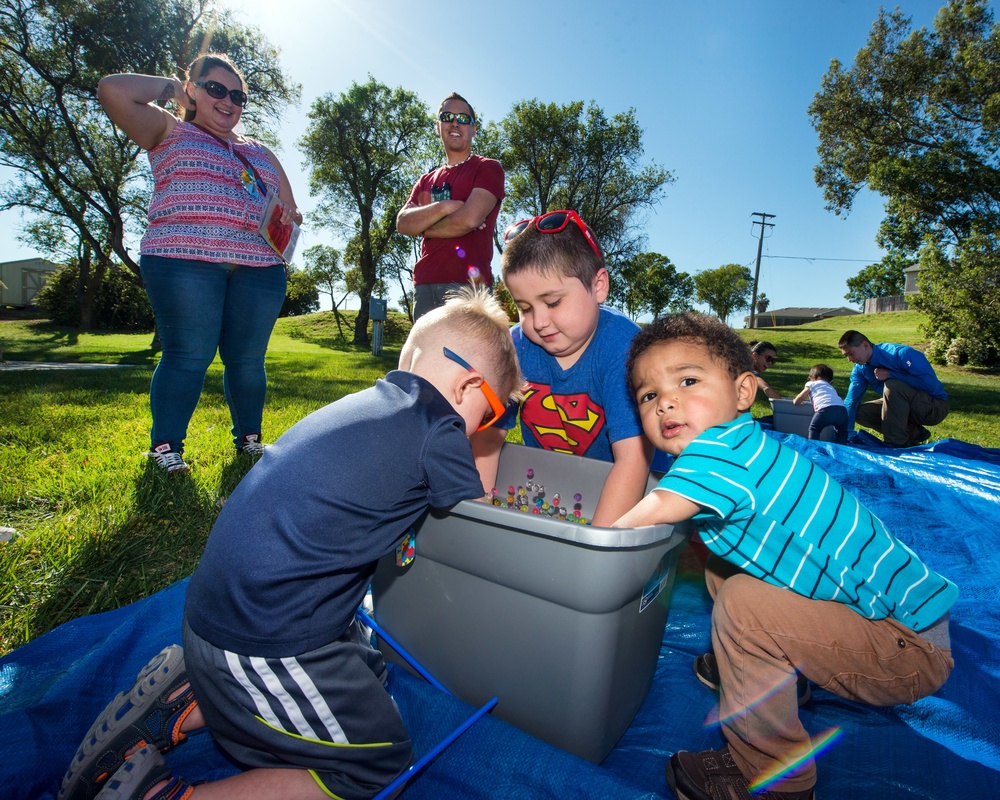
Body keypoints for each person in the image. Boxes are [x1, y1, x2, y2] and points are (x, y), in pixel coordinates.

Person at [57, 288, 522, 800]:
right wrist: (498, 433)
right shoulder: (439, 428)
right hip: (264, 642)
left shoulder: (369, 406)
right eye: (492, 412)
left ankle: (187, 698)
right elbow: (479, 511)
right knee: (376, 766)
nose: (484, 427)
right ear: (467, 386)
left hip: (217, 611)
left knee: (368, 671)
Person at [613, 312, 956, 800]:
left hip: (904, 648)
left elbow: (637, 520)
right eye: (649, 396)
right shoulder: (745, 444)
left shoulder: (717, 455)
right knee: (722, 565)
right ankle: (770, 676)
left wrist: (578, 544)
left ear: (743, 392)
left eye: (688, 380)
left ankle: (776, 777)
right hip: (899, 624)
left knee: (742, 607)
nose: (665, 401)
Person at [98, 54, 303, 474]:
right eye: (215, 89)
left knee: (247, 360)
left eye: (237, 95)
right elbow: (113, 91)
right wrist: (172, 89)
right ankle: (166, 447)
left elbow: (290, 207)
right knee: (189, 353)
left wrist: (286, 217)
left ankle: (249, 439)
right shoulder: (169, 130)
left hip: (258, 267)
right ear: (194, 89)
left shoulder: (260, 151)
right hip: (184, 258)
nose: (228, 101)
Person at [479, 209, 661, 527]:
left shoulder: (623, 349)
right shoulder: (515, 349)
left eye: (552, 303)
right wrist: (478, 510)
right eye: (524, 307)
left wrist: (594, 548)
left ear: (598, 285)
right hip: (555, 490)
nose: (538, 321)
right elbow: (489, 437)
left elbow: (634, 461)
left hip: (637, 490)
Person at [396, 93, 504, 321]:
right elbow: (403, 223)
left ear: (473, 129)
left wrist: (424, 228)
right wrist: (443, 207)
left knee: (469, 358)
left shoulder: (488, 168)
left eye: (463, 118)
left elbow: (469, 220)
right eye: (447, 117)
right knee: (426, 357)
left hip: (469, 288)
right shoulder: (426, 180)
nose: (455, 123)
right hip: (425, 286)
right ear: (438, 126)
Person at [838, 329, 949, 447]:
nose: (849, 359)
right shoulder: (860, 368)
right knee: (862, 412)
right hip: (904, 407)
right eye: (846, 356)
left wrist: (891, 374)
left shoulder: (901, 354)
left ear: (865, 345)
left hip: (934, 407)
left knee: (892, 386)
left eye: (851, 353)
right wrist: (847, 434)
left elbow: (930, 385)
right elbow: (851, 401)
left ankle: (895, 444)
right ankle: (914, 433)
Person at [791, 363, 848, 444]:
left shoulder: (811, 384)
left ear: (811, 378)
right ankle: (842, 448)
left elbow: (801, 397)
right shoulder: (830, 387)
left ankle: (813, 447)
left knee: (814, 428)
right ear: (830, 381)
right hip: (842, 410)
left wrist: (796, 401)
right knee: (842, 432)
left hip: (825, 410)